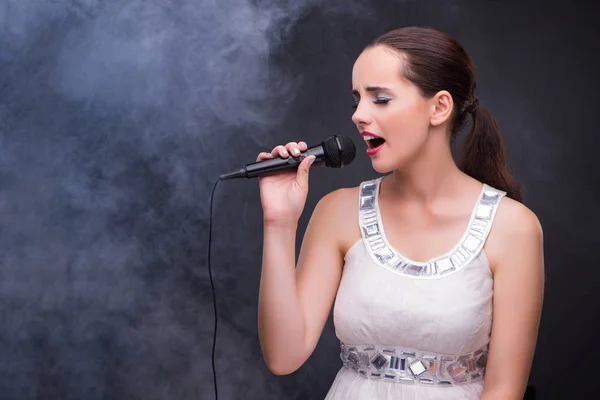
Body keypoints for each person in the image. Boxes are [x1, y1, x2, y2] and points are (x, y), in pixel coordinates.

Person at [255, 26, 544, 399]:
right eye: (357, 100)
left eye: (381, 99)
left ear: (439, 107)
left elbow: (504, 390)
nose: (359, 115)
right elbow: (283, 356)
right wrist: (279, 223)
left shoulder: (513, 227)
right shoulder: (336, 212)